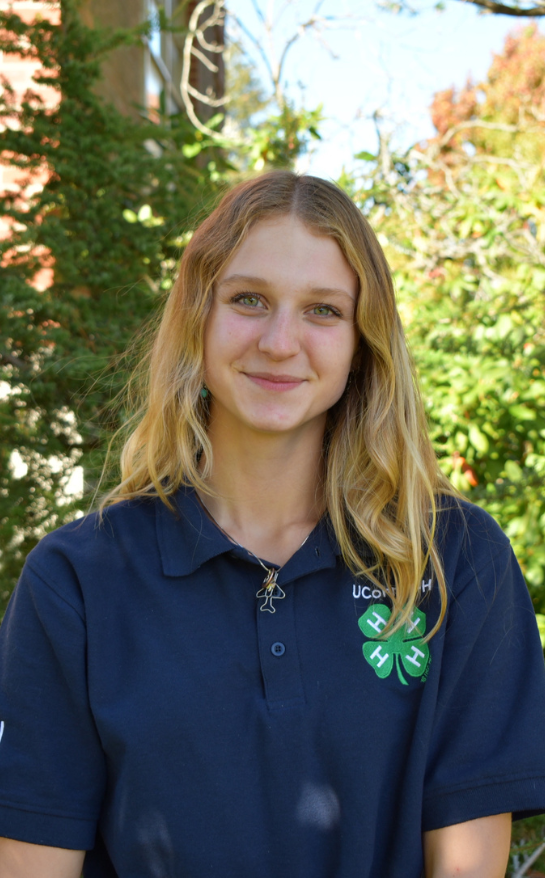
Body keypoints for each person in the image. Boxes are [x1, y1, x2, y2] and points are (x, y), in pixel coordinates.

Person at [0, 171, 544, 878]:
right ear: (198, 317)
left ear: (362, 343)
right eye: (248, 300)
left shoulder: (453, 559)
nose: (280, 342)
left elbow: (465, 861)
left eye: (322, 310)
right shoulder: (77, 581)